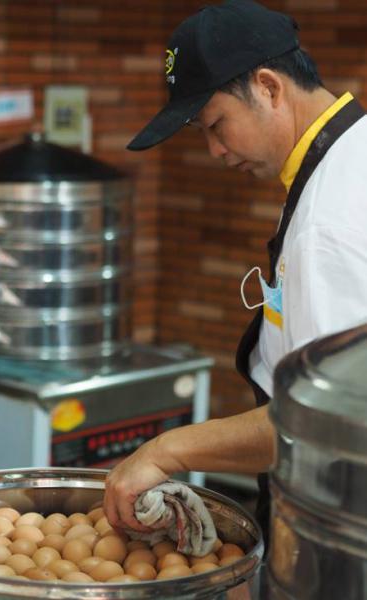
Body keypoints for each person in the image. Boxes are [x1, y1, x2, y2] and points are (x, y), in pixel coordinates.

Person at [103, 0, 367, 545]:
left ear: (268, 87)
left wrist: (165, 451)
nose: (216, 151)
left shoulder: (329, 220)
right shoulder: (348, 157)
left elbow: (324, 423)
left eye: (217, 125)